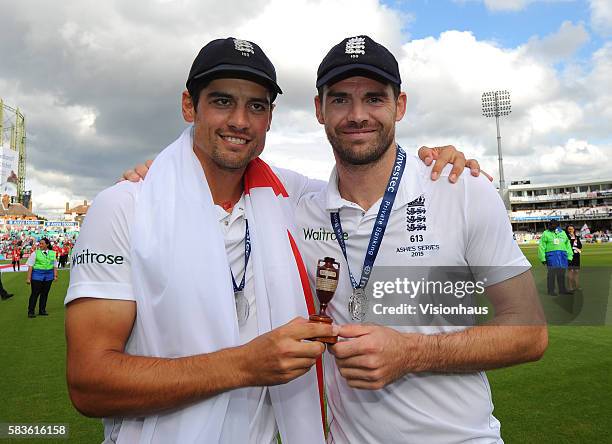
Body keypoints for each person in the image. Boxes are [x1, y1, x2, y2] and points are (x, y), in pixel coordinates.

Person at [92, 37, 479, 443]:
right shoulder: (127, 207)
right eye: (222, 101)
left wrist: (439, 165)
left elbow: (366, 182)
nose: (240, 121)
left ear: (270, 117)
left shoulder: (290, 196)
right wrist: (245, 365)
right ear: (190, 105)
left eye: (256, 106)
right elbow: (90, 385)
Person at [292, 35, 547, 443]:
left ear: (400, 105)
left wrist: (411, 353)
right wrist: (152, 172)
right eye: (340, 99)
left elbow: (530, 333)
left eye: (375, 98)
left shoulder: (461, 189)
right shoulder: (300, 209)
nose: (357, 115)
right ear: (319, 109)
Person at [538, 219, 573, 296]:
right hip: (551, 257)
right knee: (551, 274)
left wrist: (570, 256)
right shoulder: (545, 233)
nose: (550, 226)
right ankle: (551, 291)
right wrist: (543, 258)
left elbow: (568, 246)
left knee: (562, 274)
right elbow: (541, 246)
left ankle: (562, 290)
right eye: (549, 224)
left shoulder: (563, 233)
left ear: (557, 225)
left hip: (562, 257)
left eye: (552, 224)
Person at [26, 237, 58, 317]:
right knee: (35, 294)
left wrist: (55, 276)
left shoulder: (52, 253)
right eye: (40, 243)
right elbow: (30, 266)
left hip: (48, 276)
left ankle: (42, 310)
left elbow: (55, 266)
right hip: (37, 276)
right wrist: (28, 278)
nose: (40, 245)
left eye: (42, 243)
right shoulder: (35, 253)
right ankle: (31, 311)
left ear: (47, 244)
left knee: (45, 294)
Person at [565, 224, 582, 291]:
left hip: (576, 256)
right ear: (567, 230)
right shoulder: (566, 237)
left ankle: (577, 286)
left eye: (572, 229)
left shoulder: (577, 237)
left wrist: (577, 248)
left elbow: (580, 246)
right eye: (569, 229)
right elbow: (568, 246)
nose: (571, 230)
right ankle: (570, 287)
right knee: (571, 271)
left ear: (574, 229)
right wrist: (572, 238)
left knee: (577, 271)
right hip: (569, 256)